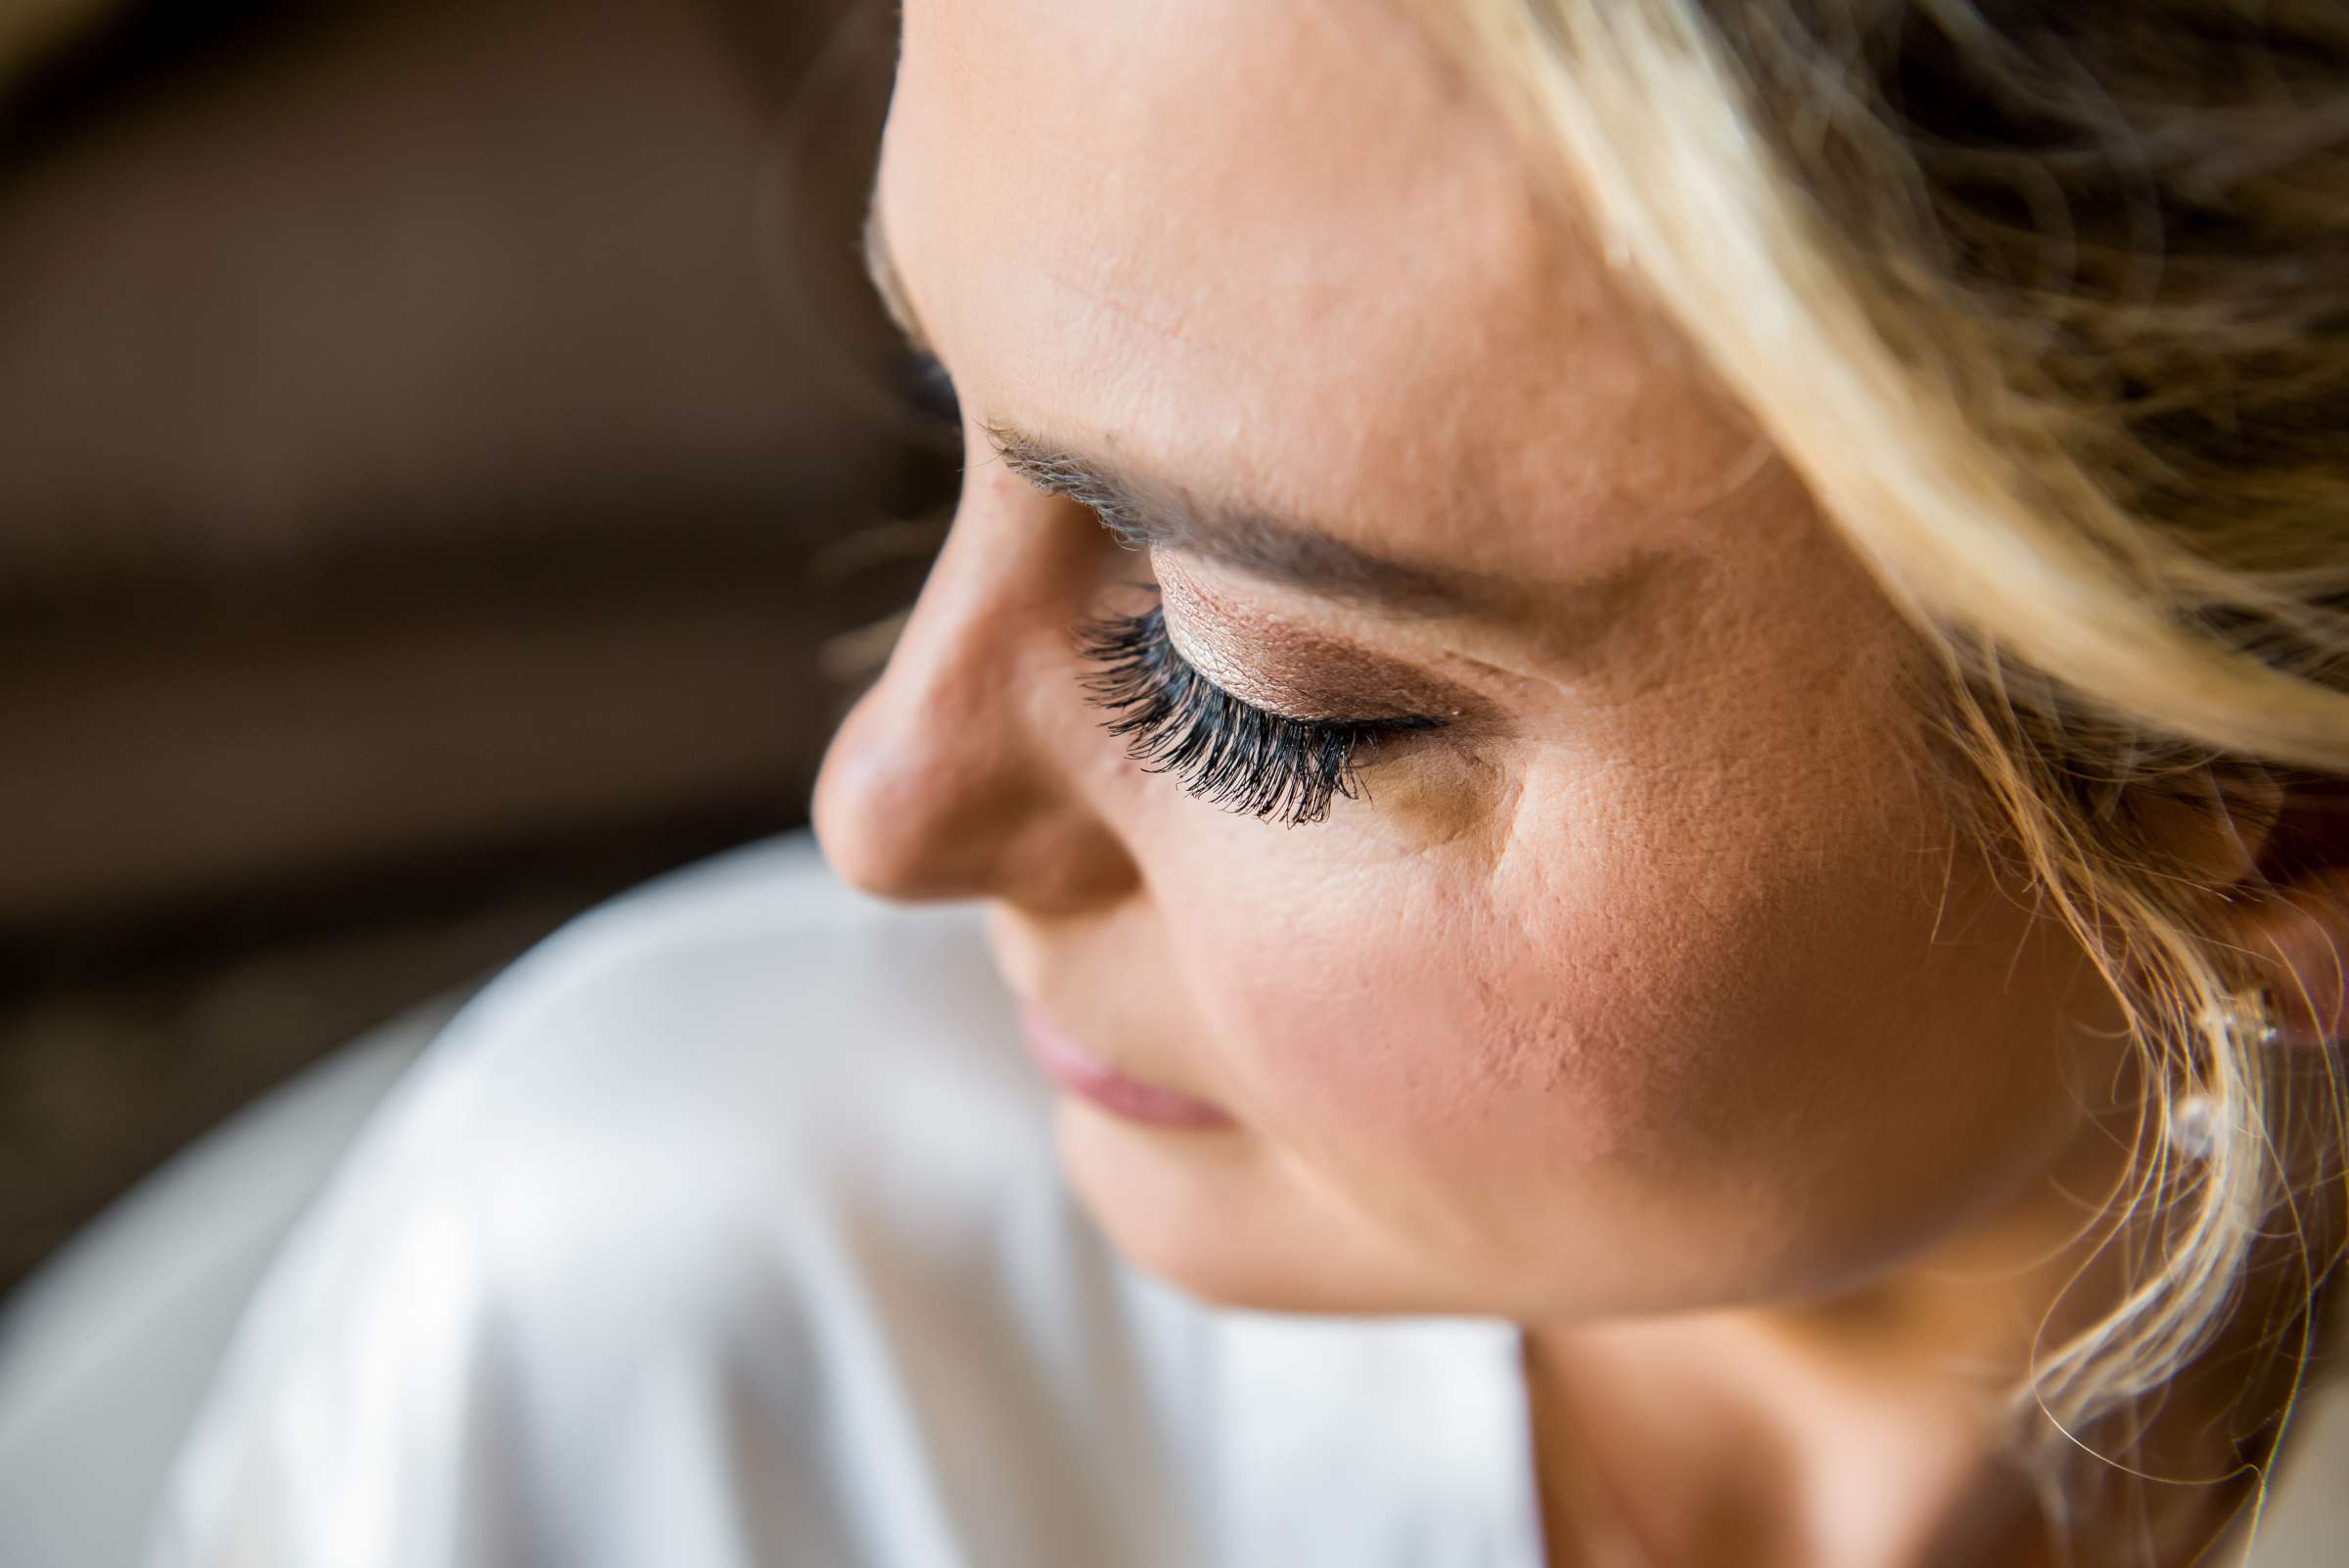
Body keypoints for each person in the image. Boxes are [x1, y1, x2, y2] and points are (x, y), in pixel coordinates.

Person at [148, 2, 2349, 1564]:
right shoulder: (669, 1345)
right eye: (953, 406)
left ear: (2263, 797)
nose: (878, 803)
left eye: (1254, 690)